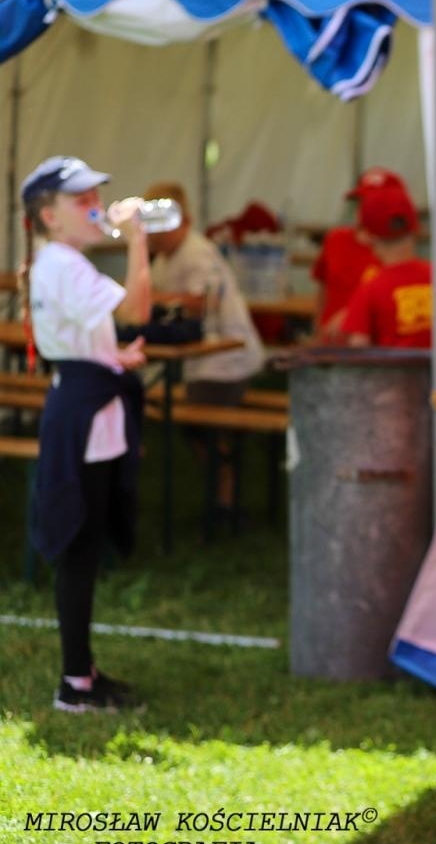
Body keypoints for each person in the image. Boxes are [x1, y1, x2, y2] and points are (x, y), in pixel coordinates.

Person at [20, 156, 151, 712]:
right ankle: (75, 683)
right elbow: (139, 307)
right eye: (81, 200)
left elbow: (71, 337)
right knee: (79, 546)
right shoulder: (65, 265)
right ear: (48, 216)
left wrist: (110, 355)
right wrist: (139, 240)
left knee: (85, 543)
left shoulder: (57, 262)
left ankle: (82, 671)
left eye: (95, 194)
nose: (95, 206)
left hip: (81, 401)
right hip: (82, 414)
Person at [146, 182, 266, 509]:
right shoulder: (163, 260)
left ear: (182, 220)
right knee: (193, 420)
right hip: (204, 361)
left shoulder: (195, 251)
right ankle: (222, 489)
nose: (153, 234)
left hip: (228, 359)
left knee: (198, 422)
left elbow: (201, 303)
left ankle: (224, 494)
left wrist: (152, 299)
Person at [338, 176, 432, 349]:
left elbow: (359, 348)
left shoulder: (370, 289)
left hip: (392, 375)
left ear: (368, 236)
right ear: (416, 229)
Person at [310, 168, 387, 339]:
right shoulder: (335, 239)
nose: (364, 208)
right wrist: (316, 331)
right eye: (361, 201)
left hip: (372, 350)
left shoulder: (393, 253)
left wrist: (352, 314)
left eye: (374, 203)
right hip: (331, 344)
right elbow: (323, 288)